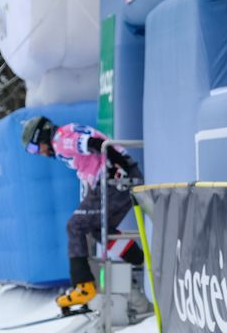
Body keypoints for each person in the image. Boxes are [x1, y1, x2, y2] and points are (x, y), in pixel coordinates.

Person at [20, 116, 145, 311]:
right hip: (111, 181)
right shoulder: (63, 135)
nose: (37, 154)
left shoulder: (60, 141)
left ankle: (84, 285)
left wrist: (122, 166)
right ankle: (140, 260)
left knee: (75, 225)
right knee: (97, 228)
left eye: (34, 148)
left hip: (114, 181)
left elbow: (96, 143)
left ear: (42, 136)